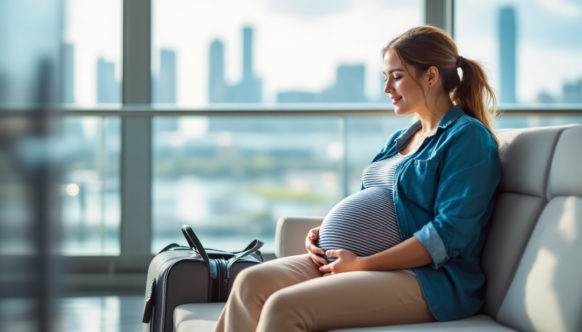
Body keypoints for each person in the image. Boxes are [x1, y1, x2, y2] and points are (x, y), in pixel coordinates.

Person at [215, 25, 501, 332]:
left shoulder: (467, 138)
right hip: (353, 261)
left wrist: (362, 264)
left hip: (427, 280)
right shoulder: (401, 138)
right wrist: (324, 232)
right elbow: (374, 205)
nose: (387, 88)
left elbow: (448, 235)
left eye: (397, 76)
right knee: (250, 282)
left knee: (284, 307)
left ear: (431, 76)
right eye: (385, 77)